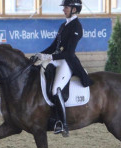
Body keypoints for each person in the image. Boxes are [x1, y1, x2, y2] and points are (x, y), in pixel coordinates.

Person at [35, 0, 93, 137]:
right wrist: (40, 55)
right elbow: (53, 46)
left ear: (74, 9)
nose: (63, 10)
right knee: (38, 73)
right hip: (57, 60)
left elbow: (69, 53)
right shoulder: (63, 25)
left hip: (67, 62)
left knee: (56, 89)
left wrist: (49, 58)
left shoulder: (77, 27)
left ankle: (62, 123)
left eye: (66, 7)